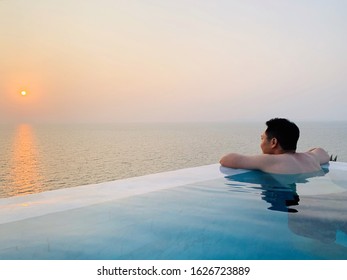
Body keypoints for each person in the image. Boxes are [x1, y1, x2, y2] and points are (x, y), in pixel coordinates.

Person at [219, 118, 330, 174]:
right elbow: (322, 152)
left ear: (273, 142)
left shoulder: (270, 160)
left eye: (262, 138)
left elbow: (226, 159)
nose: (261, 143)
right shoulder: (311, 157)